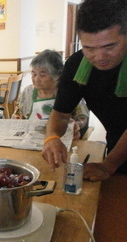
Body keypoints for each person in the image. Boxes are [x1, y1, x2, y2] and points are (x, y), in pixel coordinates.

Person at [41, 0, 127, 181]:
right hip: (118, 147)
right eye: (89, 48)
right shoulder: (76, 65)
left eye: (109, 46)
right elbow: (62, 113)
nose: (99, 57)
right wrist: (52, 137)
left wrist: (108, 165)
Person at [0, 49, 89, 140]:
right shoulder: (28, 92)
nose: (36, 79)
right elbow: (17, 118)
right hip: (30, 140)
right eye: (33, 74)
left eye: (42, 75)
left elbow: (82, 117)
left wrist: (77, 125)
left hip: (59, 141)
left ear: (57, 75)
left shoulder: (69, 91)